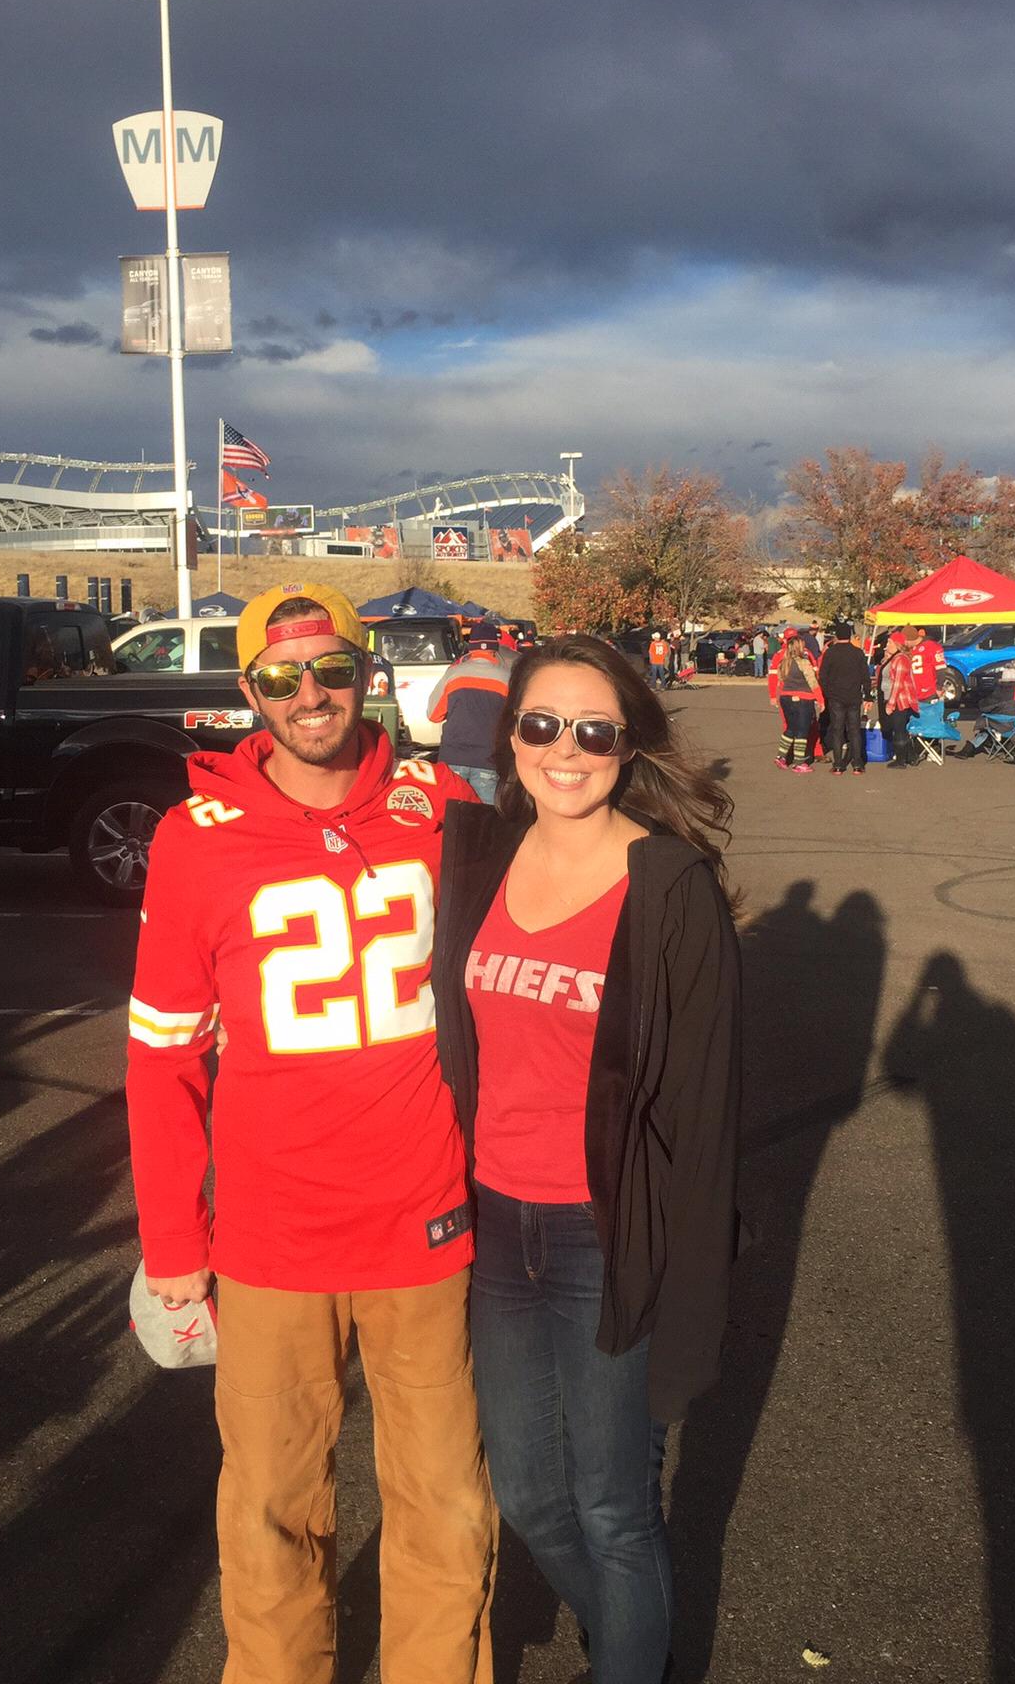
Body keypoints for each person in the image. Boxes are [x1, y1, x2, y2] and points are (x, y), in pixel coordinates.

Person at [126, 579, 496, 1684]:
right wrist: (171, 1242)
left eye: (331, 667)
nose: (311, 692)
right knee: (272, 1512)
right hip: (267, 1230)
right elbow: (161, 1054)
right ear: (250, 691)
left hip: (424, 1212)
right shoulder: (194, 839)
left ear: (368, 673)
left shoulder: (441, 809)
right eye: (282, 675)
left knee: (448, 1504)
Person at [431, 635, 741, 1684]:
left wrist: (691, 1306)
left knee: (615, 1504)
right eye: (542, 724)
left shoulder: (669, 886)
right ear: (510, 733)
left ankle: (631, 1653)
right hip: (495, 1227)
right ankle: (632, 1638)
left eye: (594, 730)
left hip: (607, 1233)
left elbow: (706, 1115)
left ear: (629, 743)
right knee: (529, 1494)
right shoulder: (475, 857)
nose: (566, 750)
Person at [428, 625, 514, 803]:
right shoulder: (507, 678)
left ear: (471, 646)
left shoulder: (453, 675)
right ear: (494, 648)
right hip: (488, 761)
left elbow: (433, 714)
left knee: (449, 817)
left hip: (452, 760)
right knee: (484, 821)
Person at [818, 621, 870, 774]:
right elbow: (865, 676)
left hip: (836, 697)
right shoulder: (857, 653)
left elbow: (823, 676)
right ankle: (857, 764)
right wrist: (867, 695)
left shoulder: (830, 653)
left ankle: (838, 764)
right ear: (849, 635)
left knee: (837, 730)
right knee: (854, 730)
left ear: (836, 636)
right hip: (854, 696)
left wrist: (828, 693)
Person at [774, 633, 824, 771]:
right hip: (803, 698)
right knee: (802, 731)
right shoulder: (804, 662)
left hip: (786, 697)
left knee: (791, 728)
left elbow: (780, 681)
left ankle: (781, 756)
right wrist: (821, 700)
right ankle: (799, 762)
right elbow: (812, 682)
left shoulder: (783, 663)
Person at [876, 627, 918, 766]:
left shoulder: (901, 659)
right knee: (899, 728)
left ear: (897, 644)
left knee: (898, 729)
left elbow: (898, 684)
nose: (886, 645)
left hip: (900, 700)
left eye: (889, 643)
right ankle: (911, 756)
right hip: (891, 697)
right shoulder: (893, 658)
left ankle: (900, 760)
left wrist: (891, 703)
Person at [907, 625, 945, 705]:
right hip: (912, 694)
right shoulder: (909, 649)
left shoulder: (932, 646)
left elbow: (941, 669)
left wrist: (938, 688)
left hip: (928, 693)